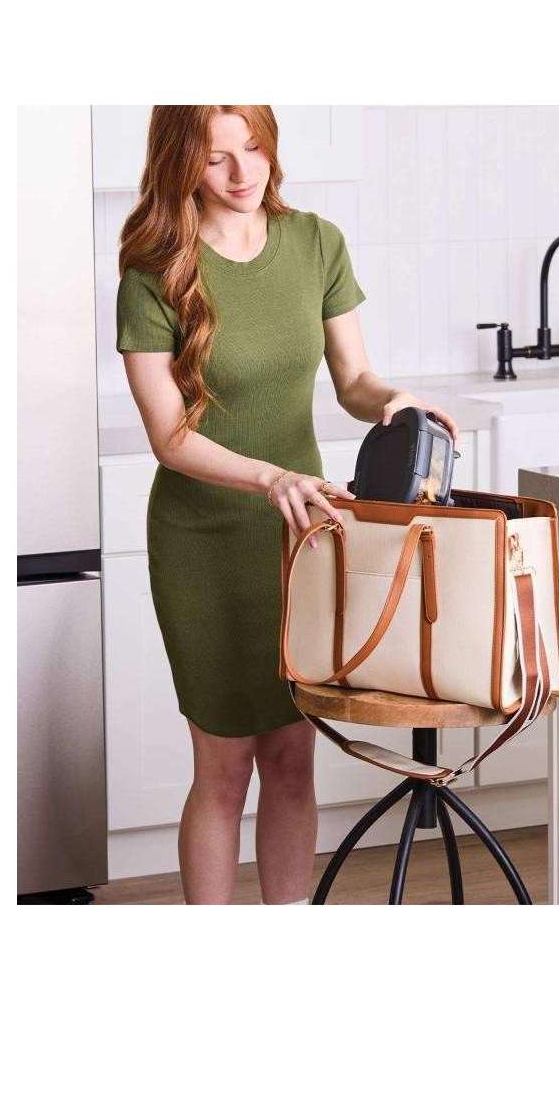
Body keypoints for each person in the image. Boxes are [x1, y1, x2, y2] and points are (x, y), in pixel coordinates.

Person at [116, 106, 460, 905]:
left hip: (303, 537)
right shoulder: (154, 272)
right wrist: (270, 478)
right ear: (180, 164)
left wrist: (394, 400)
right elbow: (169, 436)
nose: (243, 173)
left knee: (292, 759)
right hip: (205, 541)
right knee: (224, 766)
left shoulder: (315, 243)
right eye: (217, 158)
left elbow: (353, 380)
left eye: (255, 149)